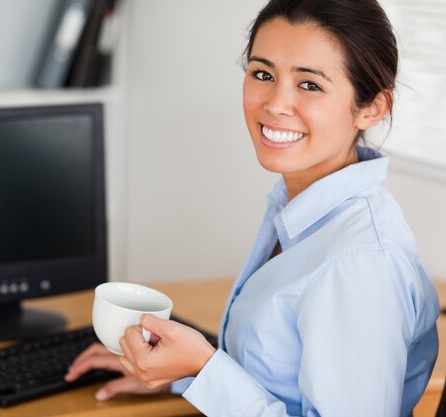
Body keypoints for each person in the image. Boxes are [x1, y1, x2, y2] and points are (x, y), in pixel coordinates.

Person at [65, 0, 440, 415]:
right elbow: (277, 379)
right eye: (263, 74)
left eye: (309, 84)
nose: (275, 104)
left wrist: (204, 367)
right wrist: (183, 377)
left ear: (372, 108)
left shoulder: (359, 264)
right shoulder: (300, 207)